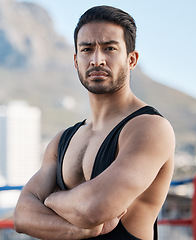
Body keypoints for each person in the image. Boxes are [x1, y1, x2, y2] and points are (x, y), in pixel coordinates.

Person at [13, 5, 175, 240]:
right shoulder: (62, 140)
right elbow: (21, 215)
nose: (97, 60)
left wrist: (50, 199)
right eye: (87, 49)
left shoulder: (149, 128)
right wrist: (76, 228)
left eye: (109, 48)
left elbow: (94, 208)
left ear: (132, 59)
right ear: (76, 61)